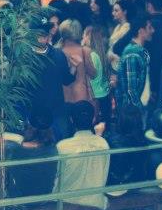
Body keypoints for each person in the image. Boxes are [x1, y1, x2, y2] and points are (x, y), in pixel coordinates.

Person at [55, 101, 110, 210]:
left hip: (68, 199)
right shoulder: (103, 143)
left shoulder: (62, 146)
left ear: (71, 120)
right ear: (93, 119)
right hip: (95, 199)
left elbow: (57, 176)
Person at [29, 9, 76, 141]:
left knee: (61, 145)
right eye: (39, 34)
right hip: (32, 115)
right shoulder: (23, 57)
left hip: (56, 112)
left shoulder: (58, 55)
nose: (43, 37)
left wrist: (73, 68)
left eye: (45, 33)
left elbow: (66, 80)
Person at [105, 104, 149, 191]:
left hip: (118, 186)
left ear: (121, 121)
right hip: (138, 183)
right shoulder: (143, 140)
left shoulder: (112, 141)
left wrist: (100, 135)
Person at [115, 17, 154, 112]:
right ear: (141, 31)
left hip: (138, 107)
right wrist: (139, 111)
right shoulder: (133, 53)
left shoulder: (139, 51)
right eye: (149, 27)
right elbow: (131, 90)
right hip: (133, 111)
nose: (153, 30)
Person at [59, 19, 97, 109]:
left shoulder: (57, 52)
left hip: (64, 96)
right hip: (82, 95)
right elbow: (93, 74)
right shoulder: (85, 51)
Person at [83, 26, 113, 125]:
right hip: (104, 93)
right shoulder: (100, 53)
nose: (82, 37)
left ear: (88, 36)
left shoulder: (91, 55)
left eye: (84, 34)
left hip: (95, 96)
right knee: (105, 125)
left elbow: (91, 75)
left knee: (95, 125)